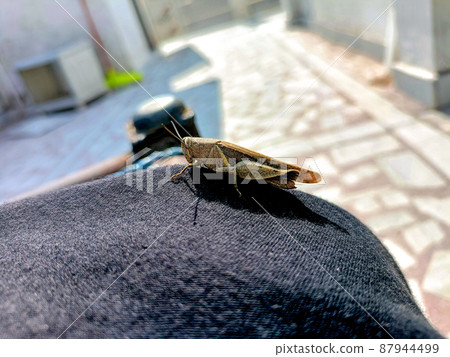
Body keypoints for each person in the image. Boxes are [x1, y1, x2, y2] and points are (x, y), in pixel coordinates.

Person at [0, 164, 443, 338]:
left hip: (251, 171)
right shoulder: (192, 161)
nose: (187, 153)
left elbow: (214, 170)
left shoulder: (203, 160)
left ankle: (295, 178)